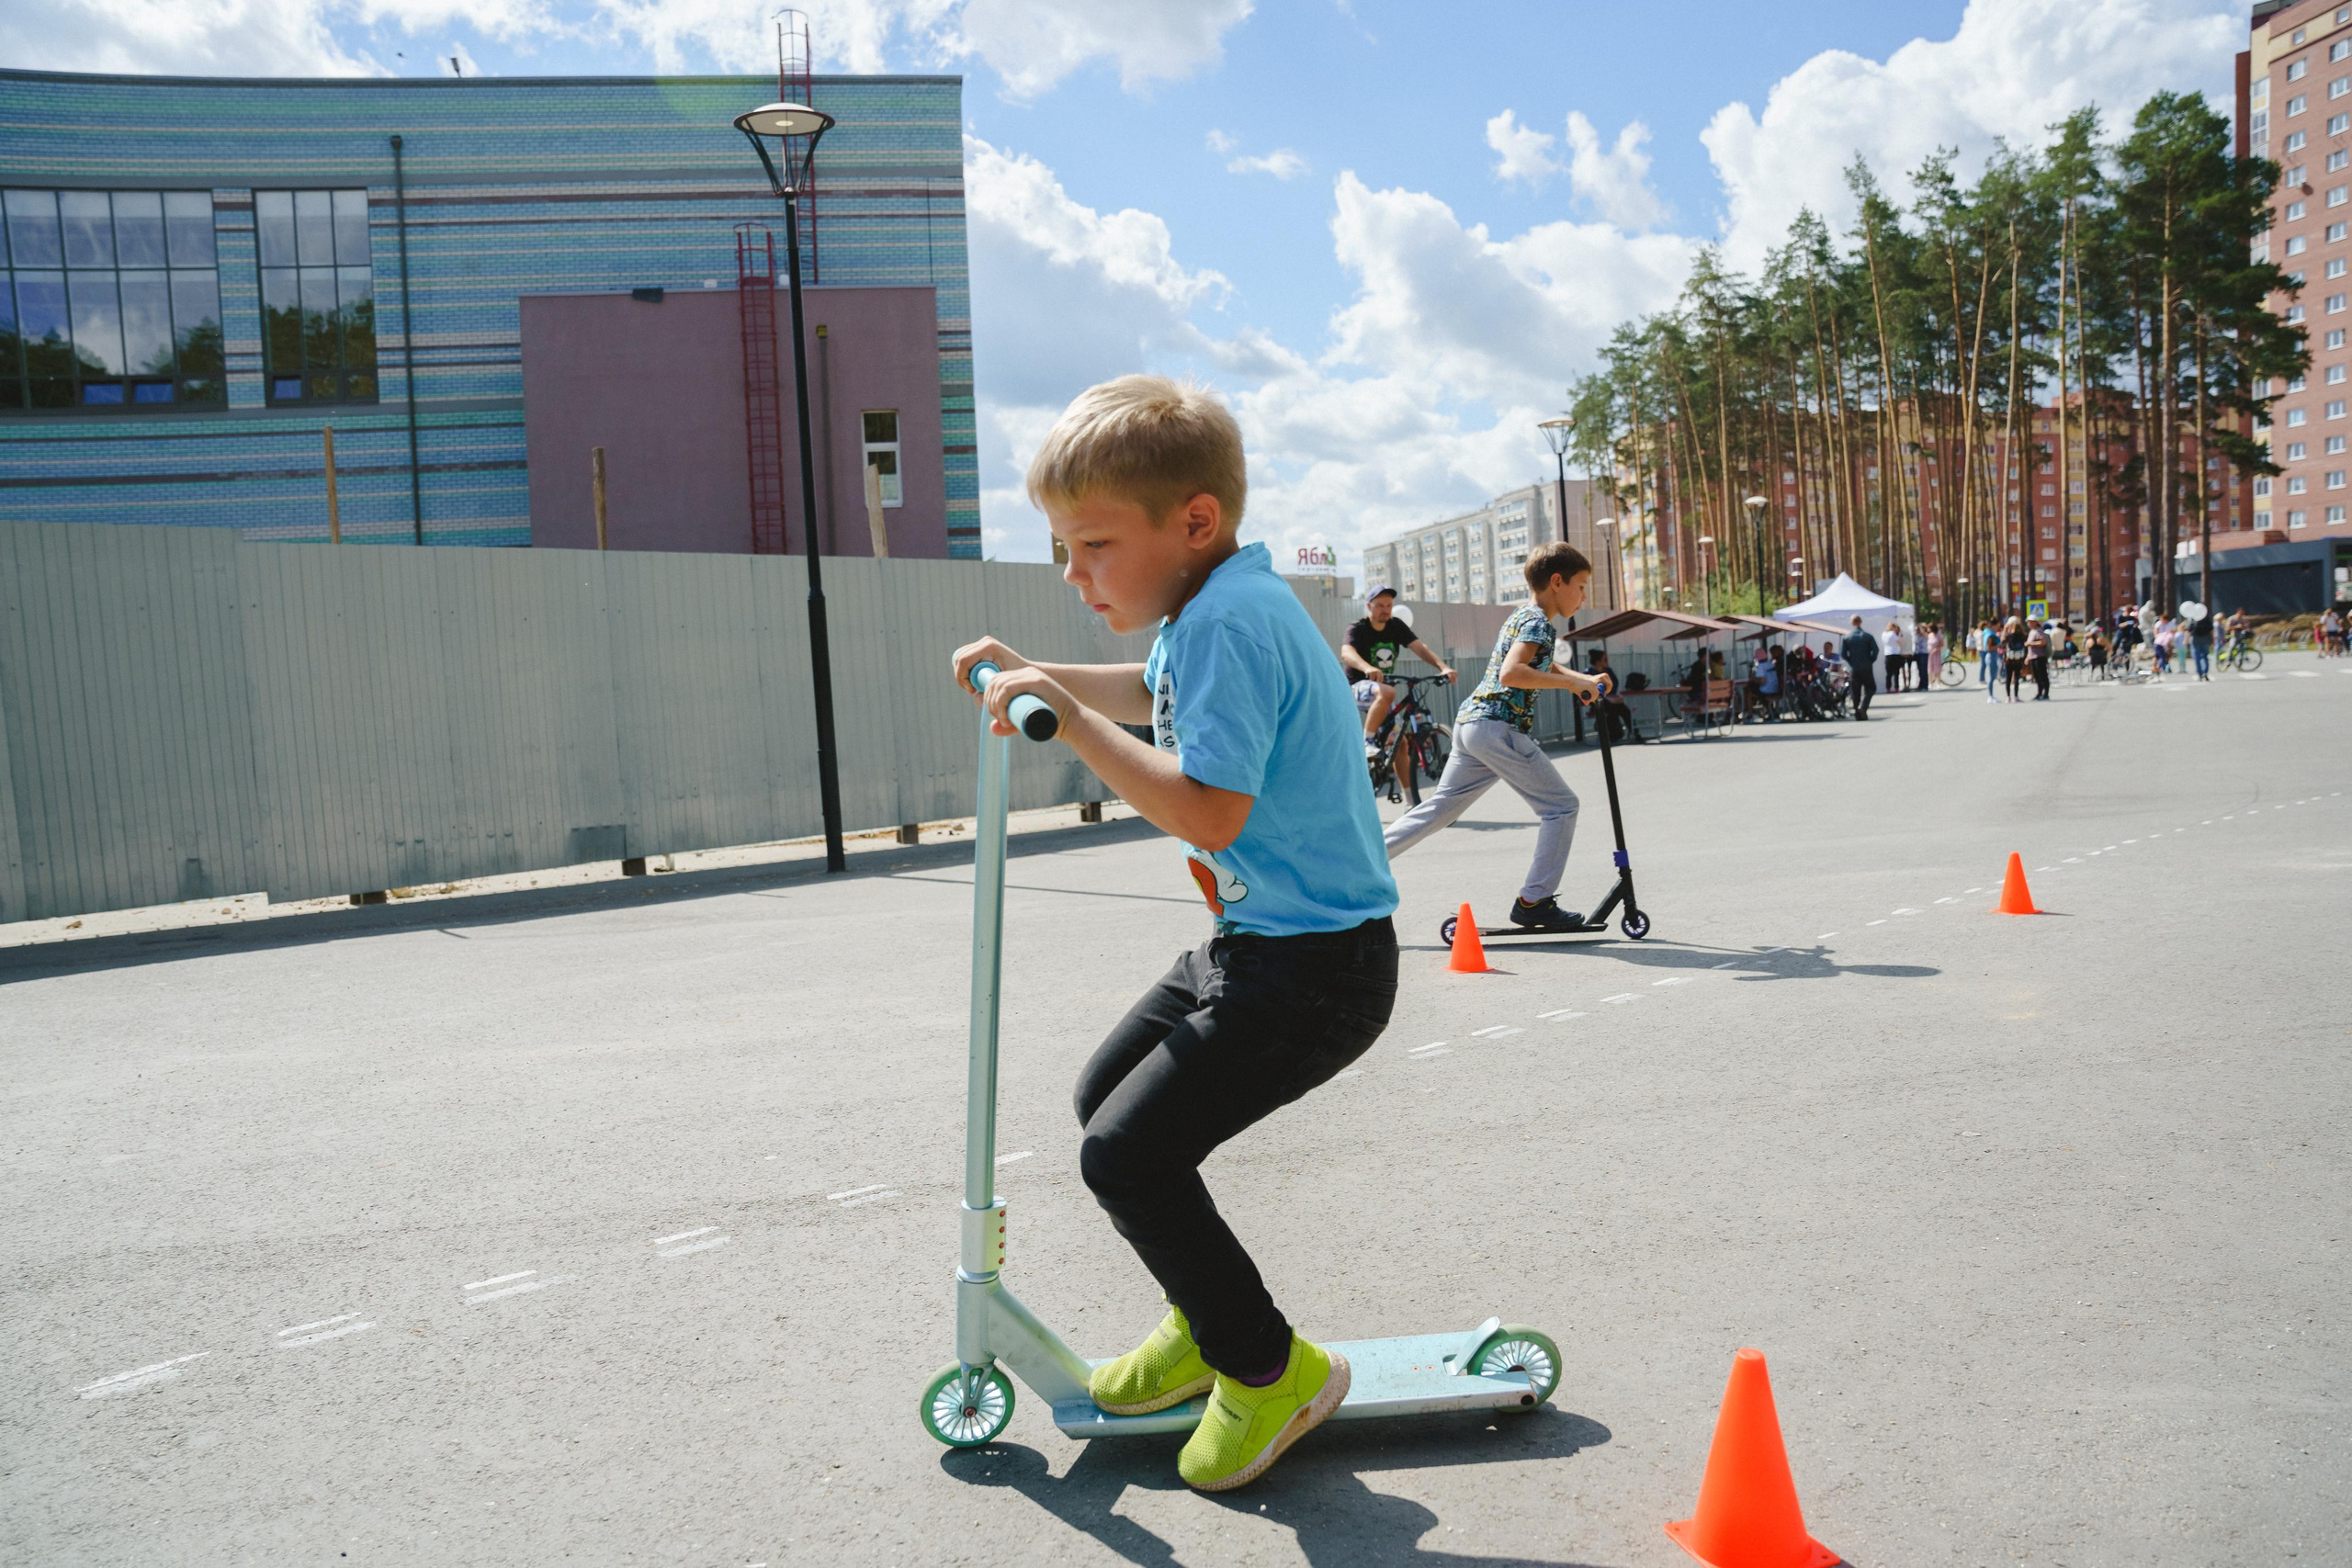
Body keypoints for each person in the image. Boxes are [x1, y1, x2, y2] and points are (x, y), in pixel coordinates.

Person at [949, 374, 1394, 1492]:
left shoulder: (1229, 624)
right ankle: (1206, 1323)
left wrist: (1074, 721)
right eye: (1062, 547)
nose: (1074, 573)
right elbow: (1151, 694)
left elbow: (1204, 808)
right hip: (1262, 947)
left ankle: (1266, 1367)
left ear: (1192, 521)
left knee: (1126, 1155)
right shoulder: (1220, 605)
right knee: (1106, 1102)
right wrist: (1044, 681)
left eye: (1092, 544)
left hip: (1315, 970)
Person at [1384, 541, 1607, 931]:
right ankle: (1534, 902)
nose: (1584, 595)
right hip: (1496, 727)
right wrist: (1570, 687)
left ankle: (1359, 862)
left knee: (1441, 809)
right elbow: (1512, 673)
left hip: (1472, 725)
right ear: (1557, 582)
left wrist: (1581, 679)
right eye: (1581, 585)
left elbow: (1538, 660)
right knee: (1561, 807)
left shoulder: (1525, 616)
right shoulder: (1538, 622)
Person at [1340, 586, 1455, 762]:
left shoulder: (1396, 626)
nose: (1385, 610)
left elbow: (1420, 648)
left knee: (1399, 744)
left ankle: (1408, 791)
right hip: (1356, 687)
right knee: (1387, 692)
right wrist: (1367, 668)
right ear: (1369, 606)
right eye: (1380, 605)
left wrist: (1443, 668)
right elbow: (1347, 653)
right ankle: (1367, 742)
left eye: (1389, 605)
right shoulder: (1358, 627)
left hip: (1381, 694)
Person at [1586, 649, 1642, 743]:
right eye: (1604, 659)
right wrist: (1606, 698)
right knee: (1611, 710)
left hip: (1612, 700)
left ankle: (1635, 733)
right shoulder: (1589, 672)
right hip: (1598, 702)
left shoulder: (1608, 671)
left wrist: (1615, 697)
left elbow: (1614, 685)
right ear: (1598, 661)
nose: (1607, 662)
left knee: (1625, 711)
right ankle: (1613, 734)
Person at [1841, 615, 1880, 718]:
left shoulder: (1847, 637)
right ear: (1861, 622)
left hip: (1854, 667)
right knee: (1871, 688)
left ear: (1852, 623)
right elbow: (1875, 651)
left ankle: (1857, 711)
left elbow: (1843, 654)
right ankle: (1863, 706)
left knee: (1855, 690)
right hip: (1866, 666)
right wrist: (1870, 660)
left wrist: (1851, 661)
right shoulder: (1867, 636)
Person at [2002, 616, 2028, 702]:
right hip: (2018, 659)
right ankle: (2016, 696)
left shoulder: (2009, 636)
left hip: (2009, 659)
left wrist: (2005, 630)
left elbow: (2002, 643)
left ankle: (2008, 697)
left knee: (2008, 678)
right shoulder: (2022, 635)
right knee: (2016, 678)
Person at [2026, 618, 2052, 700]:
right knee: (2036, 676)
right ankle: (2039, 693)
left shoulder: (2038, 631)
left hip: (2040, 656)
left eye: (2029, 622)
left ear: (2034, 622)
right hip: (2033, 656)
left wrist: (2031, 643)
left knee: (2042, 675)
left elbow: (2042, 642)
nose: (2028, 624)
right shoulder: (2031, 631)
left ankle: (2046, 693)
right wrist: (2028, 657)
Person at [1880, 619, 1907, 693]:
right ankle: (1896, 688)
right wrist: (1900, 636)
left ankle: (1888, 688)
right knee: (1896, 673)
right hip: (1895, 654)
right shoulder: (1892, 634)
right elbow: (1899, 643)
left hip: (1887, 654)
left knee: (1889, 673)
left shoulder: (1884, 634)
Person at [1982, 618, 2006, 704]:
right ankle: (1990, 696)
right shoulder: (1990, 635)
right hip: (1991, 656)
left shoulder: (1987, 633)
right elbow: (1989, 647)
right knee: (1991, 677)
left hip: (1992, 656)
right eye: (1997, 626)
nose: (1997, 628)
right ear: (1993, 625)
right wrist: (1999, 646)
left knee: (1993, 676)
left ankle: (1991, 696)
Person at [2188, 604, 2214, 681]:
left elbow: (2189, 629)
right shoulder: (2207, 618)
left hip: (2195, 639)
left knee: (2197, 657)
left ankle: (2199, 673)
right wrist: (2212, 641)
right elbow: (2211, 630)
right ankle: (2205, 673)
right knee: (2205, 657)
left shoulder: (2192, 617)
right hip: (2206, 639)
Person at [1923, 622, 1944, 691]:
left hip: (1936, 653)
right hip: (1929, 654)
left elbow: (1942, 644)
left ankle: (1939, 683)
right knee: (1930, 669)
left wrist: (1937, 649)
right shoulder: (1929, 635)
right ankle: (1931, 683)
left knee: (1937, 668)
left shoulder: (1938, 635)